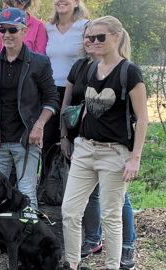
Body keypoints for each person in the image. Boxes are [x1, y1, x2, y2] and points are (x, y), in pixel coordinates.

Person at [0, 8, 59, 261]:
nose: (7, 34)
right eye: (3, 29)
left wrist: (39, 125)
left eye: (13, 29)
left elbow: (52, 98)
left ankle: (31, 244)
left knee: (27, 192)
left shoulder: (39, 62)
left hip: (26, 140)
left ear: (24, 31)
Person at [61, 15, 148, 270]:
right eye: (90, 37)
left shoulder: (129, 72)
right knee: (70, 212)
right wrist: (77, 140)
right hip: (86, 149)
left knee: (111, 217)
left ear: (116, 37)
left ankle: (112, 266)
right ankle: (73, 264)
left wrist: (135, 159)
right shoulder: (90, 69)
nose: (94, 41)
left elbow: (142, 118)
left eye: (101, 37)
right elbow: (88, 108)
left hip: (114, 153)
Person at [42, 0, 89, 182]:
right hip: (50, 91)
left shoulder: (84, 26)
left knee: (74, 140)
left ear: (76, 2)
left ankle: (74, 185)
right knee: (47, 141)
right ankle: (48, 187)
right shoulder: (49, 27)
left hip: (77, 92)